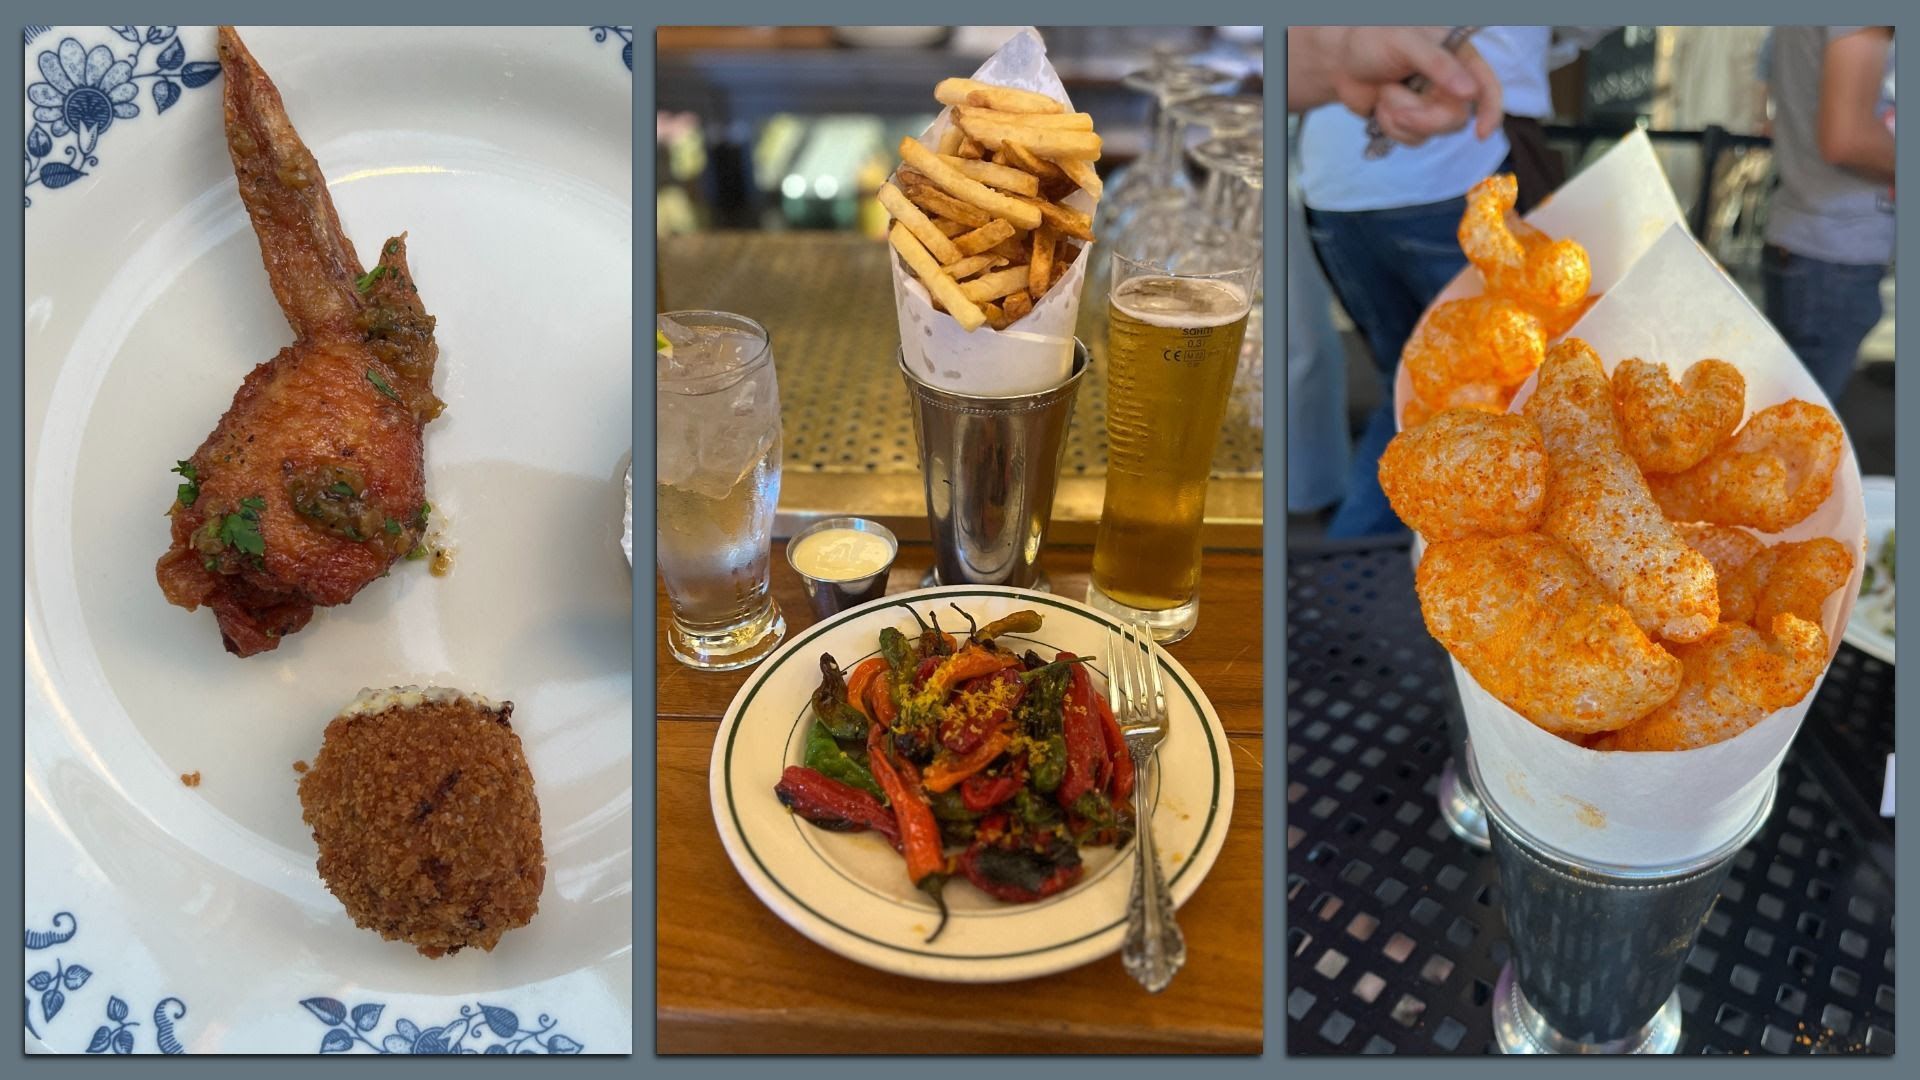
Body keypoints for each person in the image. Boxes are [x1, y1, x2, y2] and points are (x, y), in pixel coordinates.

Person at [1297, 27, 1554, 538]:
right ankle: (1367, 567)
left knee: (1408, 381)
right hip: (1450, 175)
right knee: (1508, 390)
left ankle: (1339, 577)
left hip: (1333, 187)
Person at [1760, 26, 1894, 404]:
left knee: (1785, 422)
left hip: (1810, 241)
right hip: (1832, 251)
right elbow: (1846, 138)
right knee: (1799, 438)